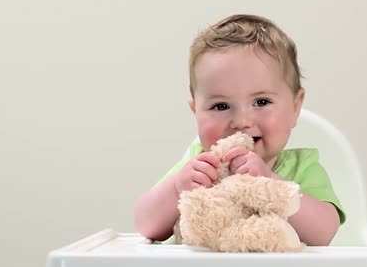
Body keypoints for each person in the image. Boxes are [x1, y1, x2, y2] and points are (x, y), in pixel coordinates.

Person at [134, 14, 344, 245]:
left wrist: (271, 183)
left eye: (261, 102)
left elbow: (325, 232)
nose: (241, 121)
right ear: (196, 111)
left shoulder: (302, 166)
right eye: (221, 106)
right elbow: (145, 226)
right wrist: (176, 189)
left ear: (295, 107)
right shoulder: (199, 166)